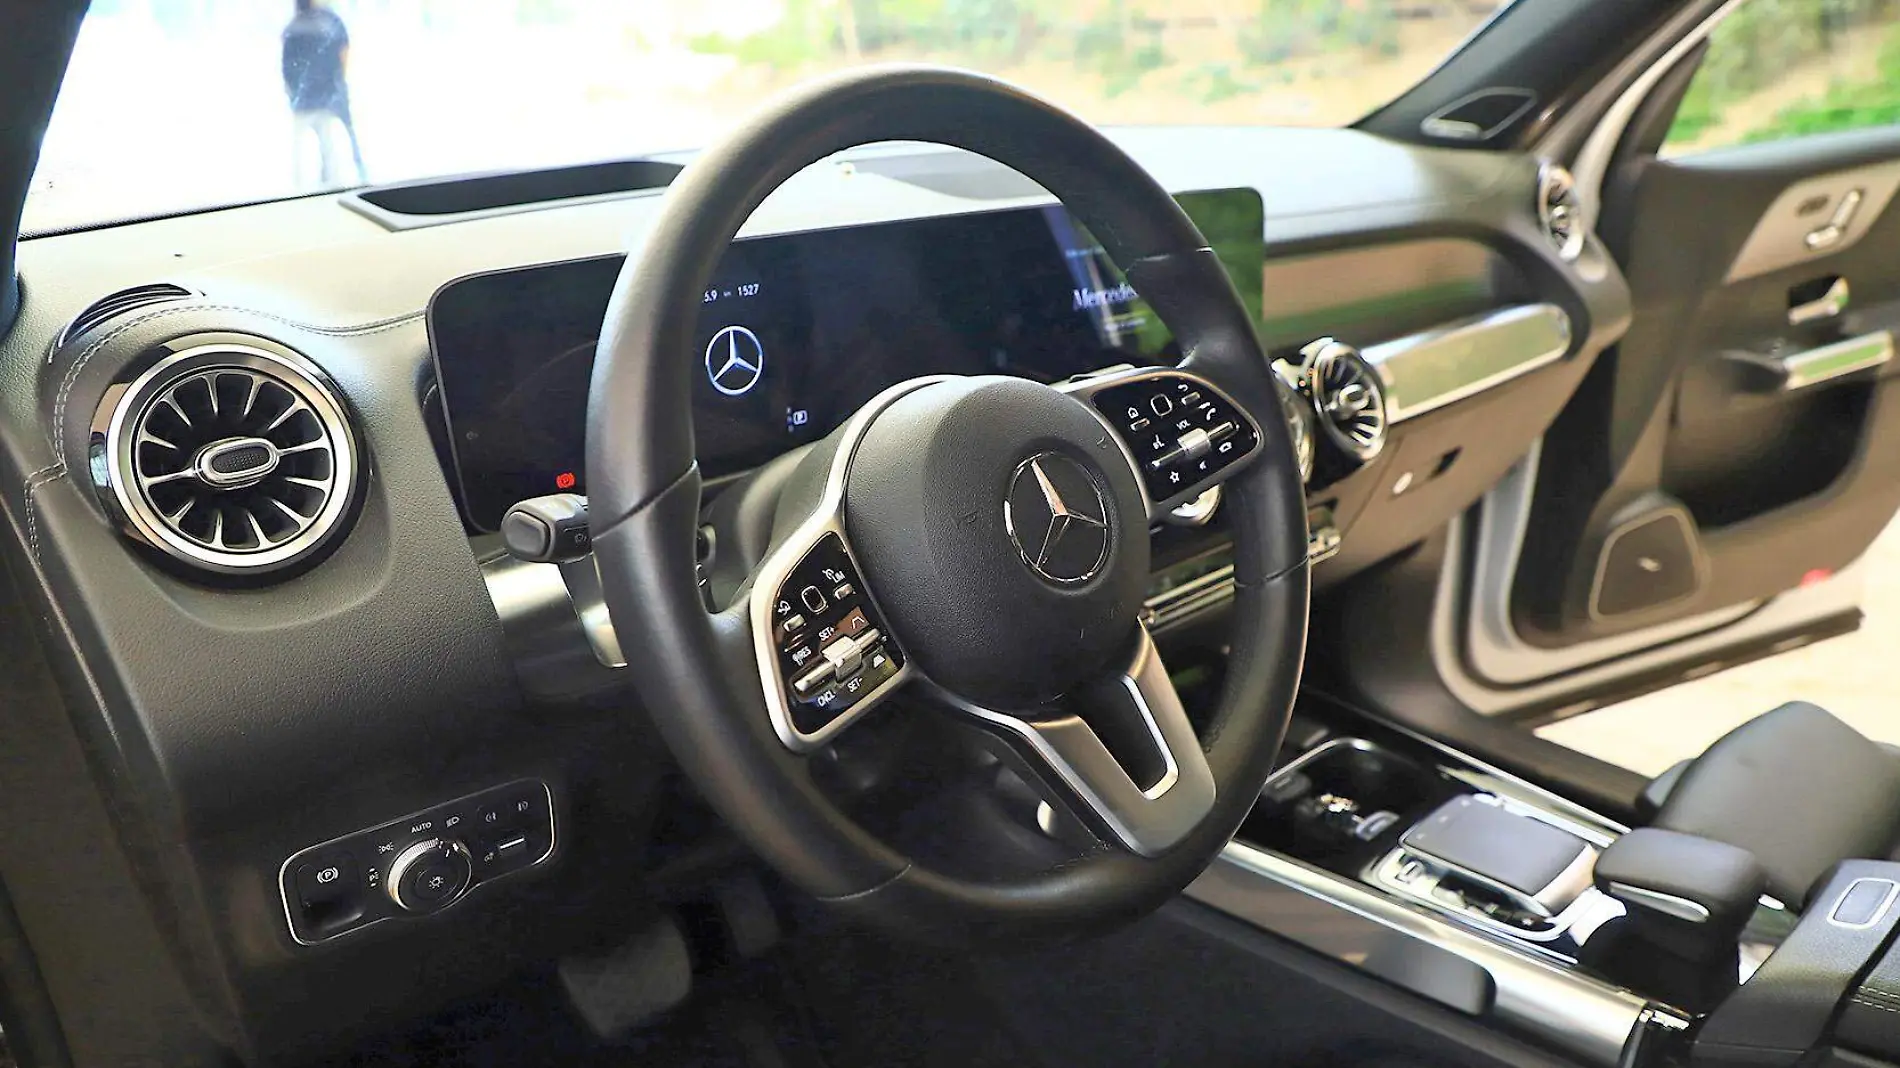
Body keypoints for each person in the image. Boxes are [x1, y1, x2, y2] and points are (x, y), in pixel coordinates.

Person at [282, 0, 366, 189]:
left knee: (308, 150)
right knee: (328, 147)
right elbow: (343, 52)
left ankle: (305, 187)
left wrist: (292, 90)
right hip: (324, 96)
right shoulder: (330, 22)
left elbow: (286, 64)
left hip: (306, 98)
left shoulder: (295, 25)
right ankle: (330, 182)